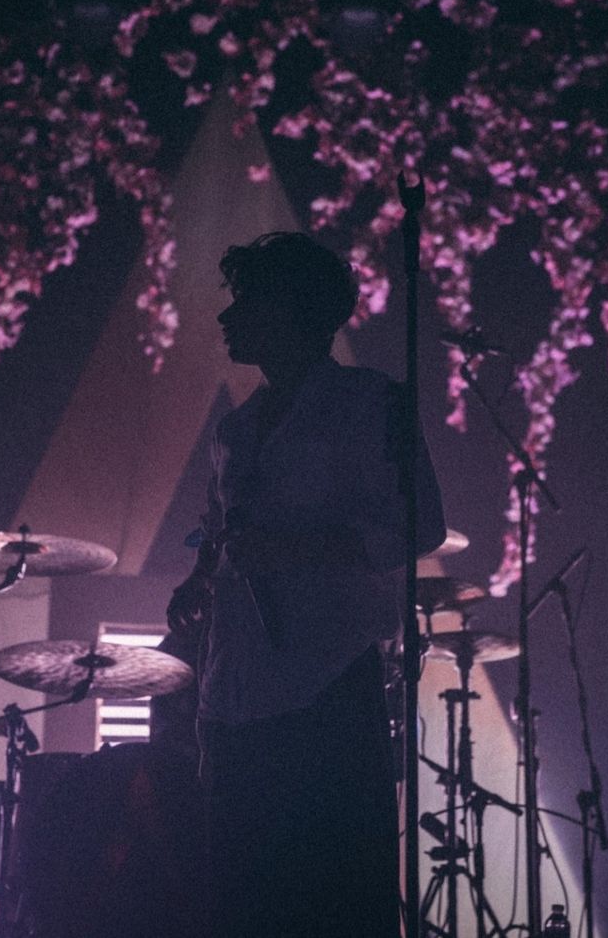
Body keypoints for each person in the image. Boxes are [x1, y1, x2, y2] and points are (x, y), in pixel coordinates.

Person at [167, 231, 446, 938]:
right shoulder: (235, 429)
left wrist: (295, 551)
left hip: (326, 691)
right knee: (240, 905)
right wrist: (201, 578)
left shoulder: (368, 403)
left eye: (246, 300)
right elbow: (223, 528)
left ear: (294, 308)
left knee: (334, 902)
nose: (228, 318)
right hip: (233, 701)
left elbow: (421, 526)